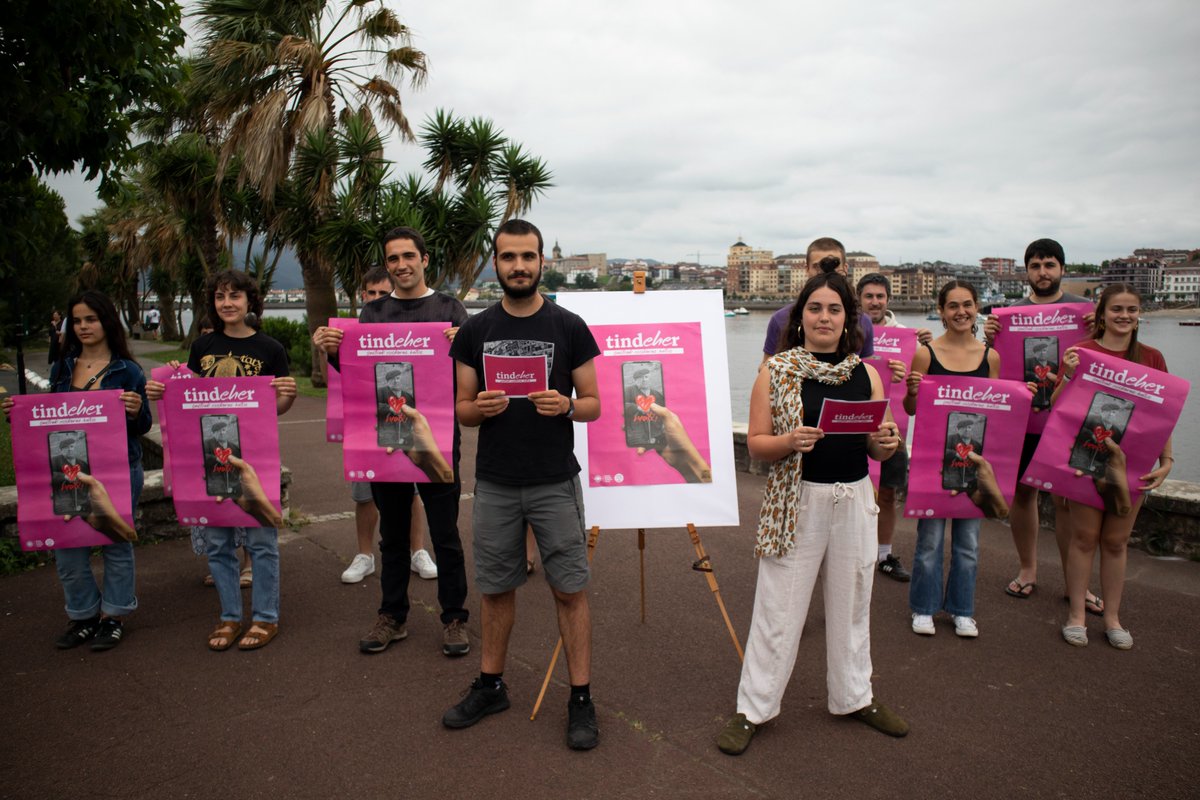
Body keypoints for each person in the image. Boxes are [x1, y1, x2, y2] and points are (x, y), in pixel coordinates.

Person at [717, 272, 905, 757]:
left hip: (855, 499)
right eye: (815, 308)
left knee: (854, 602)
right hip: (798, 499)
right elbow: (757, 445)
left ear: (848, 319)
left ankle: (855, 696)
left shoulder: (866, 374)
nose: (825, 317)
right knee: (778, 609)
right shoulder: (776, 371)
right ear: (800, 317)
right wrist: (788, 441)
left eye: (834, 309)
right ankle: (753, 709)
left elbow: (877, 446)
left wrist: (886, 442)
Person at [443, 219, 603, 751]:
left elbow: (594, 404)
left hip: (555, 480)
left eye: (527, 257)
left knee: (570, 590)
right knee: (495, 589)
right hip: (495, 482)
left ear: (541, 261)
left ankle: (580, 697)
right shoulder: (476, 330)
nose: (518, 266)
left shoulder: (570, 325)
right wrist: (479, 407)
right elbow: (463, 410)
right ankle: (491, 686)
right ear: (496, 262)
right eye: (508, 257)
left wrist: (567, 406)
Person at [312, 228, 471, 657]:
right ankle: (393, 616)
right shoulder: (373, 312)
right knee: (393, 535)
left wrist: (465, 347)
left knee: (445, 533)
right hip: (385, 437)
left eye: (408, 256)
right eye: (393, 258)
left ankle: (455, 617)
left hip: (437, 438)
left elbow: (470, 374)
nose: (401, 265)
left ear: (424, 259)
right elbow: (360, 376)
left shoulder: (449, 309)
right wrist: (332, 351)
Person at [147, 270, 296, 651]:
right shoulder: (203, 346)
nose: (227, 303)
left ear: (250, 301)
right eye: (219, 296)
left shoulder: (271, 349)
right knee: (218, 542)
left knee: (262, 542)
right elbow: (191, 402)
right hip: (210, 455)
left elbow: (276, 408)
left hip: (256, 458)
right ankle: (230, 616)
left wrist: (289, 395)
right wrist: (164, 392)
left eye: (235, 296)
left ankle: (265, 617)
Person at [4, 291, 152, 650]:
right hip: (67, 469)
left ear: (106, 322)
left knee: (116, 543)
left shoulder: (128, 371)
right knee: (67, 544)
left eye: (91, 319)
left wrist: (136, 410)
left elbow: (144, 425)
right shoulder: (62, 368)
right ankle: (83, 614)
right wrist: (19, 416)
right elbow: (52, 419)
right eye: (78, 320)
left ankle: (114, 615)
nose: (84, 326)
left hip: (118, 469)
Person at [983, 238, 1102, 613]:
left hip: (1069, 423)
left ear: (1062, 269)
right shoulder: (1008, 315)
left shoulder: (1086, 312)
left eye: (1049, 265)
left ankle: (1075, 583)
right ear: (1027, 272)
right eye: (1035, 266)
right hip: (1023, 421)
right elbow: (991, 366)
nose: (1043, 272)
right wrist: (988, 338)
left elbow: (1114, 356)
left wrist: (1098, 330)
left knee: (1067, 502)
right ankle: (1028, 569)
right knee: (1023, 495)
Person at [1057, 284, 1173, 650]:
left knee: (1116, 541)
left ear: (1139, 316)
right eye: (1117, 309)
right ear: (1102, 315)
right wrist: (1067, 375)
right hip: (1086, 459)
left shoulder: (1152, 357)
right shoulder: (1081, 352)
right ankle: (1076, 615)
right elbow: (1056, 408)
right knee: (1083, 538)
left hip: (1133, 465)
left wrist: (1167, 460)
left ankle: (1112, 618)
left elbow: (1163, 416)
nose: (1124, 316)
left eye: (1131, 310)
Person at [903, 281, 1001, 639]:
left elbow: (996, 412)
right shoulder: (925, 354)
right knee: (929, 541)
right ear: (941, 311)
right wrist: (912, 392)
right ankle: (924, 606)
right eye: (953, 306)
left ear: (977, 308)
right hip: (933, 461)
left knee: (969, 544)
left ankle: (962, 610)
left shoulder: (990, 357)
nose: (962, 312)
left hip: (972, 462)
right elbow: (911, 409)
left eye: (968, 304)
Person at [338, 267, 439, 584]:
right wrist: (329, 349)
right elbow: (340, 378)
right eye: (372, 293)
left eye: (384, 293)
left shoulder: (410, 333)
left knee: (412, 490)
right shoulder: (352, 336)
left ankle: (417, 550)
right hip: (365, 430)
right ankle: (365, 555)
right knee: (364, 494)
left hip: (405, 425)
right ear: (363, 296)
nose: (378, 299)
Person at [856, 273, 933, 582]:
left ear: (888, 299)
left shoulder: (906, 336)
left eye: (880, 296)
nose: (875, 302)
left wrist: (926, 347)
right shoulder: (847, 332)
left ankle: (884, 555)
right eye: (869, 296)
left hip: (892, 428)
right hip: (854, 426)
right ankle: (848, 554)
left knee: (887, 495)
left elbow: (923, 379)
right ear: (858, 299)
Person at [759, 237, 874, 364]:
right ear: (807, 269)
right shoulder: (780, 319)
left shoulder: (864, 321)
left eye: (833, 266)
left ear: (845, 268)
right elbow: (766, 365)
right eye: (817, 266)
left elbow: (868, 367)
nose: (826, 272)